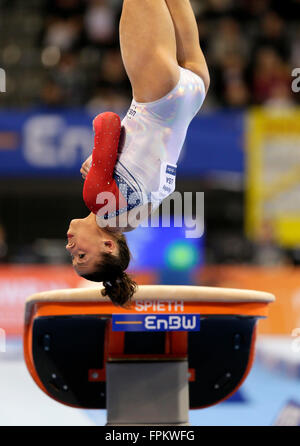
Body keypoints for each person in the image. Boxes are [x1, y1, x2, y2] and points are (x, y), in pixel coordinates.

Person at [66, 0, 210, 307]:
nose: (70, 248)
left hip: (192, 94)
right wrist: (96, 161)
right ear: (107, 245)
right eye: (81, 255)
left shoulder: (132, 220)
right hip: (157, 95)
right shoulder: (97, 200)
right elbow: (106, 122)